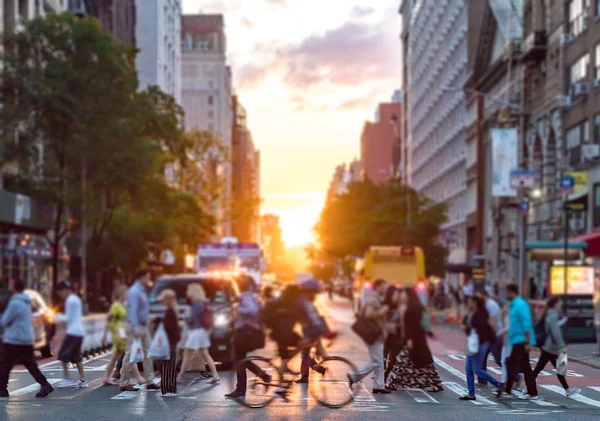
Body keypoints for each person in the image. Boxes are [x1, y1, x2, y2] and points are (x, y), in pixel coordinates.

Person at [0, 279, 54, 398]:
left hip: (14, 339)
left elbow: (5, 320)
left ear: (14, 288)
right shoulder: (26, 302)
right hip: (26, 339)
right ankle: (45, 384)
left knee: (4, 364)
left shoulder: (15, 303)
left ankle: (2, 390)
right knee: (29, 364)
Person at [386, 287, 443, 392]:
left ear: (409, 295)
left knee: (406, 361)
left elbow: (414, 325)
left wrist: (410, 338)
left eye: (404, 294)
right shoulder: (411, 307)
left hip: (415, 339)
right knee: (413, 362)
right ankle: (394, 383)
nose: (402, 296)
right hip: (414, 339)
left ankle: (393, 383)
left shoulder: (413, 308)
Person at [225, 277, 266, 398]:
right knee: (240, 360)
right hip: (249, 333)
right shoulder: (252, 296)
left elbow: (251, 311)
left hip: (245, 334)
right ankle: (262, 375)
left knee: (239, 360)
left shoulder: (245, 297)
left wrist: (238, 309)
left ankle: (240, 390)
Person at [120, 270, 160, 392]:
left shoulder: (142, 291)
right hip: (135, 326)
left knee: (149, 353)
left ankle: (149, 380)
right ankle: (124, 382)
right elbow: (132, 311)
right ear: (141, 277)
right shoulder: (134, 291)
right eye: (148, 277)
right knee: (129, 354)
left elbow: (143, 309)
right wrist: (135, 328)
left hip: (144, 326)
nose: (149, 280)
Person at [532, 296, 581, 397]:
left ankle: (567, 390)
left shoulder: (549, 313)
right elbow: (556, 332)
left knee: (550, 368)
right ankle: (528, 388)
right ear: (555, 304)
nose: (561, 305)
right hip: (551, 347)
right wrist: (562, 346)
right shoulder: (552, 315)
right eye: (559, 303)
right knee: (556, 368)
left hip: (549, 346)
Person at [497, 283, 538, 400]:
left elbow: (527, 324)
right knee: (524, 366)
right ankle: (532, 391)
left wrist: (528, 342)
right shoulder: (513, 305)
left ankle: (508, 389)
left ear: (512, 292)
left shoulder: (520, 305)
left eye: (507, 293)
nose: (506, 295)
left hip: (521, 340)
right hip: (516, 339)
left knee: (511, 364)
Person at [348, 278, 390, 394]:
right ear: (378, 287)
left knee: (380, 361)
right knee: (376, 361)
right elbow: (369, 315)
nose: (385, 289)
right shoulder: (373, 299)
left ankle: (379, 386)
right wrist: (383, 311)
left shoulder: (375, 299)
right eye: (384, 286)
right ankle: (354, 376)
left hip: (377, 334)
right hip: (373, 334)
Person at [459, 296, 501, 401]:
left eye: (470, 302)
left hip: (479, 343)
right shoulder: (472, 313)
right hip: (474, 343)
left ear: (475, 303)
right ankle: (471, 394)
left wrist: (467, 327)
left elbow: (480, 329)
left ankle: (498, 384)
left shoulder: (480, 314)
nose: (468, 304)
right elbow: (465, 324)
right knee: (469, 369)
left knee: (477, 369)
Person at [101, 285, 144, 386]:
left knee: (116, 356)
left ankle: (106, 377)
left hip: (124, 331)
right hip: (119, 333)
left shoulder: (124, 305)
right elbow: (109, 320)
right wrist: (105, 335)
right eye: (126, 293)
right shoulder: (116, 306)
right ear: (121, 294)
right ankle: (139, 378)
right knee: (129, 354)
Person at [177, 283, 220, 384]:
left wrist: (183, 321)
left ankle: (180, 376)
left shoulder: (196, 305)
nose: (187, 293)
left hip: (195, 332)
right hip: (202, 332)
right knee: (205, 354)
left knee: (187, 354)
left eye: (188, 291)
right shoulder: (203, 303)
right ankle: (215, 375)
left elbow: (193, 319)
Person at [55, 282, 87, 388]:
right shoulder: (75, 298)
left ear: (64, 290)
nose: (60, 295)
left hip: (73, 332)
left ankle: (66, 378)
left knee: (63, 354)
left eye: (60, 293)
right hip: (79, 332)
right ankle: (82, 379)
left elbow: (68, 318)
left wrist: (57, 316)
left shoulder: (70, 300)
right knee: (77, 356)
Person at [476, 289, 503, 386]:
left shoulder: (491, 305)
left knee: (499, 359)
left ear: (484, 296)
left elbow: (492, 322)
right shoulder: (485, 305)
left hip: (494, 336)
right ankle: (482, 379)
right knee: (482, 358)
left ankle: (516, 376)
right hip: (488, 336)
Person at [157, 289, 181, 396]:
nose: (162, 302)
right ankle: (171, 388)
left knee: (167, 365)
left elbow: (169, 327)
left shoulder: (169, 311)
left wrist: (159, 323)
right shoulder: (173, 310)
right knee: (170, 364)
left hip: (169, 341)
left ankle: (167, 388)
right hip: (173, 341)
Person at [383, 286, 402, 381]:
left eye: (398, 294)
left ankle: (385, 375)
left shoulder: (400, 306)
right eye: (395, 294)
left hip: (396, 336)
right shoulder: (385, 306)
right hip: (385, 336)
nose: (397, 296)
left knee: (393, 359)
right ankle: (381, 376)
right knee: (381, 359)